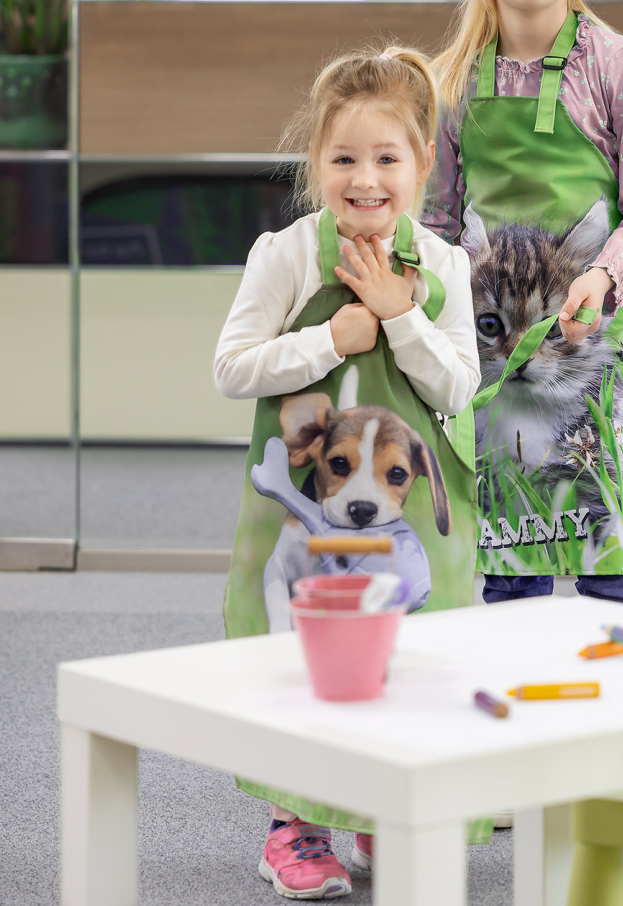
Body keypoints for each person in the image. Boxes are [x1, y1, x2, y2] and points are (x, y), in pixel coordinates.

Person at [214, 45, 481, 899]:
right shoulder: (285, 255)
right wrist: (331, 340)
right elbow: (232, 368)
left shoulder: (442, 268)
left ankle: (382, 807)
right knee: (301, 647)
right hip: (301, 516)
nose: (365, 179)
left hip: (411, 512)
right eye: (343, 159)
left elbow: (460, 386)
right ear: (315, 164)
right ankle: (297, 822)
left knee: (412, 638)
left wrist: (402, 319)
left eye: (387, 159)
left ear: (423, 165)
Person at [425, 0, 623, 609]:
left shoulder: (621, 65)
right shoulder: (450, 82)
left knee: (612, 559)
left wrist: (602, 279)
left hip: (591, 348)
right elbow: (439, 219)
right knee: (509, 569)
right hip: (488, 358)